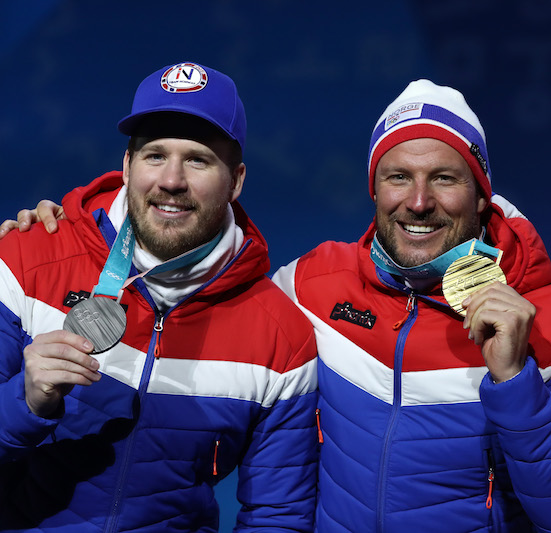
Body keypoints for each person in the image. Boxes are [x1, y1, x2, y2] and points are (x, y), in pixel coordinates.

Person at [9, 80, 551, 532]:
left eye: (446, 178)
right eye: (398, 177)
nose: (419, 201)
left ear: (483, 196)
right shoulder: (309, 288)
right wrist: (59, 233)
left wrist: (514, 379)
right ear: (374, 190)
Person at [0, 62, 318, 532]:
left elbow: (279, 516)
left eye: (197, 159)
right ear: (127, 167)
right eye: (154, 155)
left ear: (236, 180)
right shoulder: (27, 260)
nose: (171, 180)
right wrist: (24, 404)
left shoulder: (280, 337)